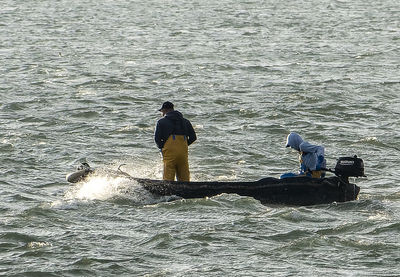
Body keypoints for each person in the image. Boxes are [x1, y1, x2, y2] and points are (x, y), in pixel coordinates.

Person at [154, 101, 197, 181]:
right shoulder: (186, 121)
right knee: (184, 175)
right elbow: (193, 137)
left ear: (165, 110)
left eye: (162, 111)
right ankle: (186, 189)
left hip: (169, 153)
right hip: (183, 152)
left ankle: (168, 191)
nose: (162, 113)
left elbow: (157, 139)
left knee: (168, 177)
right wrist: (183, 145)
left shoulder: (161, 122)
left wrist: (162, 147)